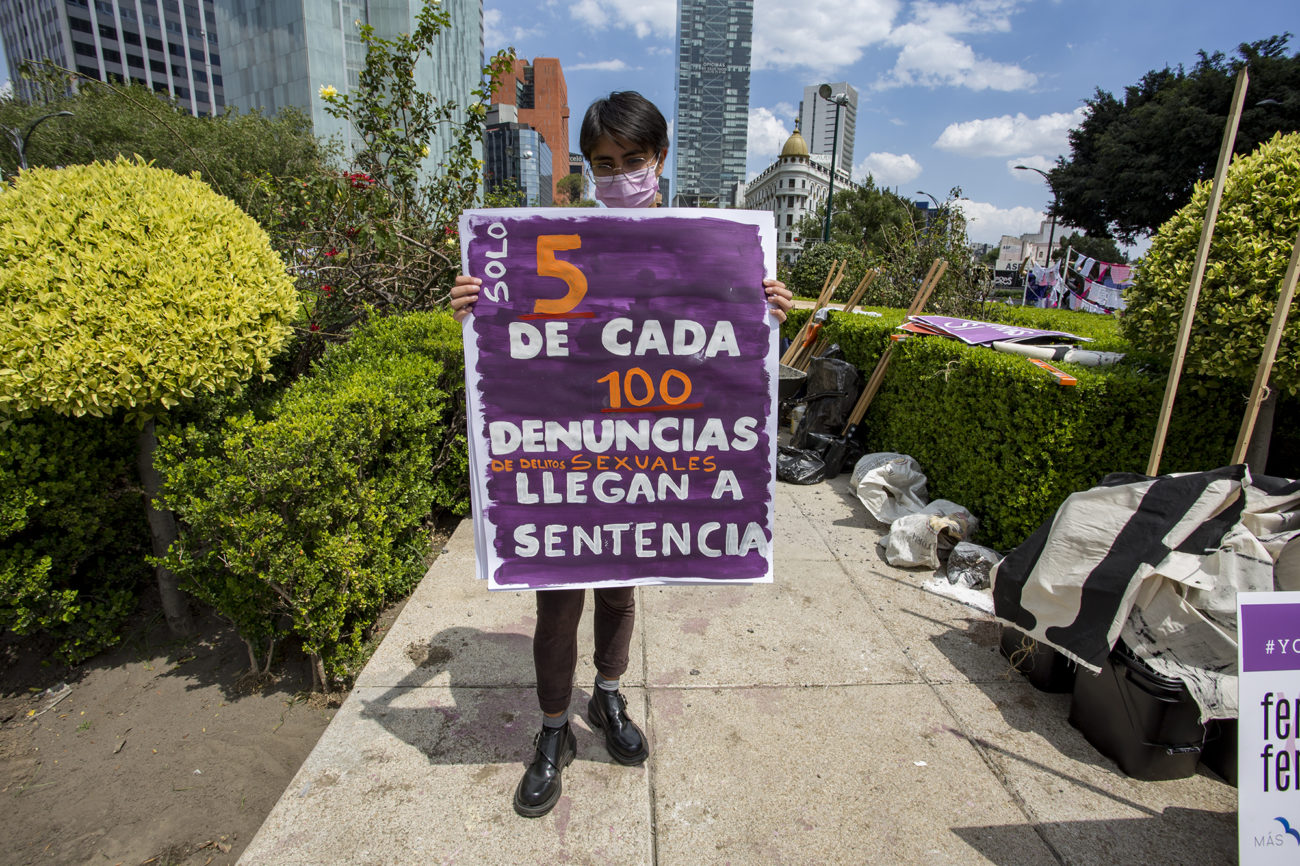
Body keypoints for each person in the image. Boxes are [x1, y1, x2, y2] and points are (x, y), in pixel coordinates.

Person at [450, 91, 794, 819]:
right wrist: (475, 304)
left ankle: (606, 698)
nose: (619, 174)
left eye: (632, 160)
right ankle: (552, 733)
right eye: (604, 164)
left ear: (659, 159)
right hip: (568, 453)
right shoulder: (546, 241)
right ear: (588, 167)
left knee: (618, 587)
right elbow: (517, 338)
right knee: (556, 597)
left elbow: (721, 340)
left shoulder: (707, 243)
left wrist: (764, 303)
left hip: (647, 455)